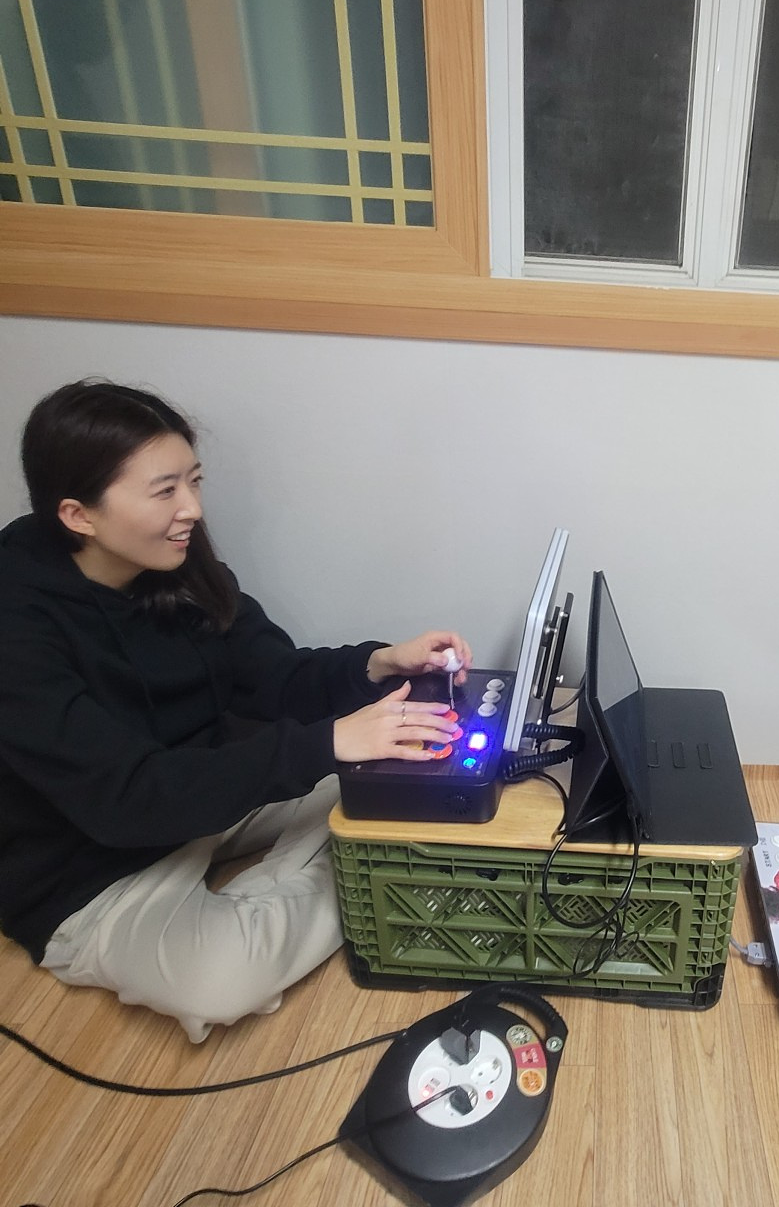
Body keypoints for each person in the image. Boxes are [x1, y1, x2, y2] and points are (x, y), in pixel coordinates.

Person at [0, 379, 473, 1043]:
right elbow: (127, 797)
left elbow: (272, 676)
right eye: (165, 491)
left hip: (208, 793)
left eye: (193, 481)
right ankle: (368, 878)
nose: (192, 509)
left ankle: (342, 875)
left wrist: (379, 664)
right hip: (88, 864)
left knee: (416, 778)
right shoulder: (17, 623)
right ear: (79, 515)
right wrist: (327, 744)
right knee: (222, 982)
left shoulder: (174, 563)